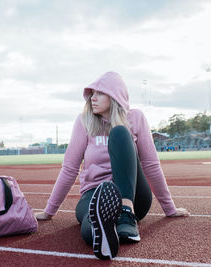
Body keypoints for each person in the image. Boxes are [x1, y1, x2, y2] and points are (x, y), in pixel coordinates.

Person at [35, 71, 189, 260]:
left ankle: (126, 214)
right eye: (92, 93)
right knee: (87, 227)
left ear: (114, 96)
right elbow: (70, 168)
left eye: (99, 93)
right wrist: (49, 212)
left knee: (119, 133)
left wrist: (170, 209)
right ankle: (106, 235)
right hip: (95, 194)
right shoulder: (84, 121)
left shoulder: (135, 118)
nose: (93, 98)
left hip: (134, 196)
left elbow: (150, 165)